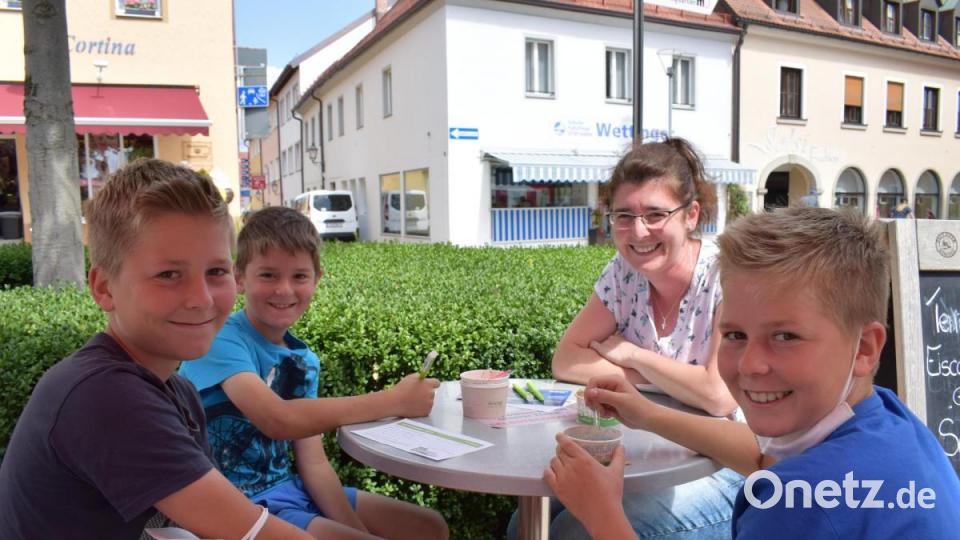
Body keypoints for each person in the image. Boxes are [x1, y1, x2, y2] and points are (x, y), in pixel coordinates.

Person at [546, 207, 960, 539]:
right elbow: (763, 455)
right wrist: (645, 413)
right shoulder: (886, 419)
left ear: (865, 349)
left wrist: (603, 518)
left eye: (785, 336)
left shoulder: (797, 506)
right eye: (736, 334)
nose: (749, 364)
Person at [0, 159, 313, 539]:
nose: (201, 299)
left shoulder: (176, 390)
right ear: (104, 288)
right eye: (168, 275)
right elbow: (257, 535)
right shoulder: (104, 395)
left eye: (216, 272)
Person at [514, 138, 743, 539]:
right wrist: (651, 382)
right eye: (624, 215)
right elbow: (566, 360)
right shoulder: (624, 273)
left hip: (726, 465)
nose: (638, 232)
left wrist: (631, 354)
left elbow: (718, 394)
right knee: (527, 522)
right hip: (650, 451)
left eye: (655, 214)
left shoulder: (726, 275)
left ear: (690, 215)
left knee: (573, 531)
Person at [179, 206, 448, 540]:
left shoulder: (303, 361)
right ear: (239, 278)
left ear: (317, 279)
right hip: (237, 505)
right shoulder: (221, 339)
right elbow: (276, 418)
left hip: (287, 490)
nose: (284, 290)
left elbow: (315, 465)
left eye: (299, 276)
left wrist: (354, 528)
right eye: (268, 275)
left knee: (429, 527)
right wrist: (394, 400)